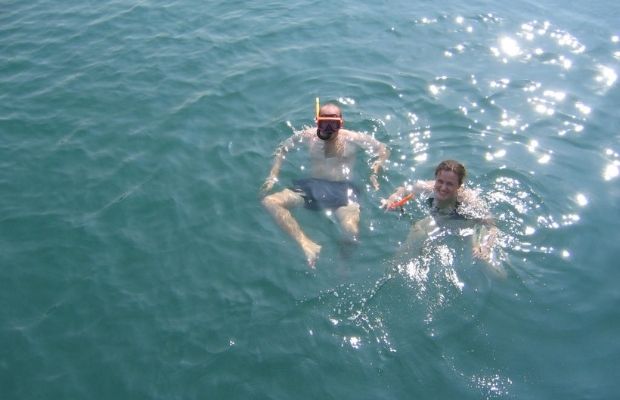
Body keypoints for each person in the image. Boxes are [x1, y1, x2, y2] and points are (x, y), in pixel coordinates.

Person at [261, 100, 389, 268]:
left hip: (343, 190)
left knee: (351, 231)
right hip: (313, 186)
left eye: (333, 124)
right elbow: (283, 149)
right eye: (324, 123)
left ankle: (342, 266)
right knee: (270, 202)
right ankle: (307, 244)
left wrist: (375, 169)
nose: (328, 129)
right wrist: (273, 174)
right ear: (317, 121)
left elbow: (383, 149)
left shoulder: (353, 137)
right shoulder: (308, 135)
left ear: (341, 123)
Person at [381, 160, 498, 262]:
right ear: (435, 179)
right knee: (416, 232)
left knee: (484, 262)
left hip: (464, 226)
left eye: (449, 184)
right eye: (440, 181)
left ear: (459, 185)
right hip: (438, 223)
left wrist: (486, 246)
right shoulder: (425, 187)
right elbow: (403, 190)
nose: (443, 188)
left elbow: (492, 227)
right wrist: (392, 199)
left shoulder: (470, 201)